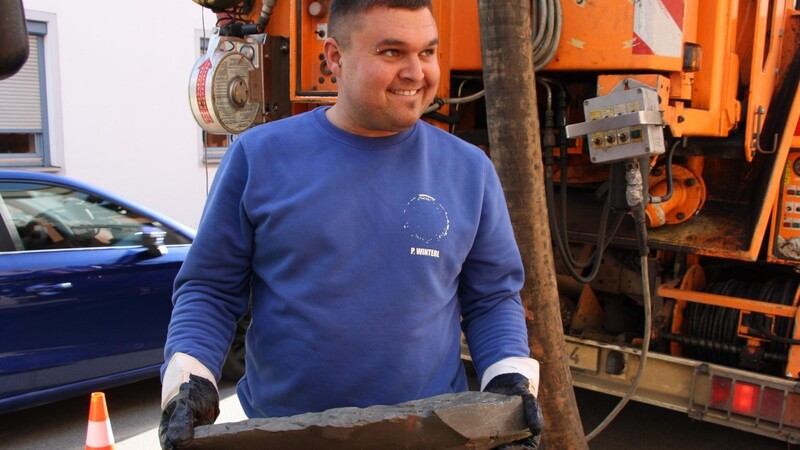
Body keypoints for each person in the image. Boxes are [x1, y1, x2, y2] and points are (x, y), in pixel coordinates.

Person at [158, 0, 544, 448]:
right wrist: (190, 379)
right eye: (392, 52)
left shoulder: (469, 170)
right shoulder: (259, 156)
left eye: (428, 52)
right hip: (284, 434)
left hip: (430, 433)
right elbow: (210, 288)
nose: (417, 73)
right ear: (334, 58)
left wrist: (509, 382)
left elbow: (493, 298)